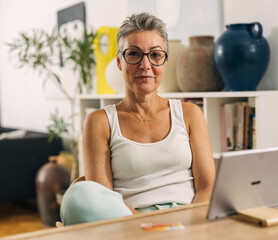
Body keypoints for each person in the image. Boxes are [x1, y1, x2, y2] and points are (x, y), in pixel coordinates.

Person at [60, 12, 215, 226]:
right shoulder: (99, 121)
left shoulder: (190, 114)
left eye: (155, 54)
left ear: (165, 61)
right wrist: (155, 225)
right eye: (134, 54)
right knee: (77, 197)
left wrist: (189, 225)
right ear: (119, 62)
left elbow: (207, 187)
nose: (145, 65)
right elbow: (101, 198)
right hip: (130, 225)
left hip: (188, 222)